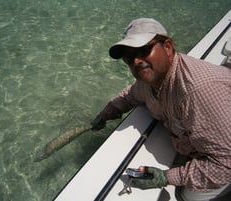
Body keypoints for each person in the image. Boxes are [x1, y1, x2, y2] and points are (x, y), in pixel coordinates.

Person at [91, 18, 231, 201]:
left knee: (189, 196)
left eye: (143, 50)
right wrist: (107, 112)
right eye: (129, 57)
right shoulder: (151, 80)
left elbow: (226, 165)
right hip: (210, 145)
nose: (136, 61)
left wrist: (166, 177)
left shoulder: (198, 91)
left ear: (167, 47)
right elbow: (130, 95)